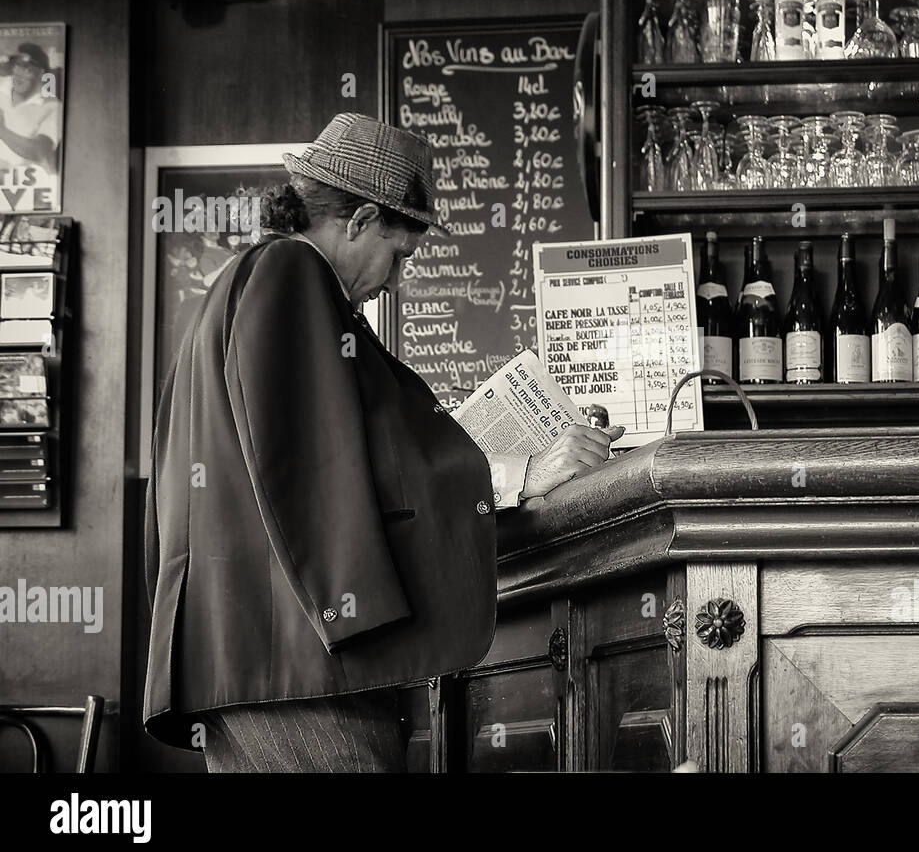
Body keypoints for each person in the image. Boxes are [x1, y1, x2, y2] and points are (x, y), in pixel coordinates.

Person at [143, 113, 621, 772]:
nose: (397, 281)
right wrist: (521, 471)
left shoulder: (231, 288)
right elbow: (315, 466)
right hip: (299, 672)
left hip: (259, 663)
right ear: (362, 218)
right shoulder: (290, 271)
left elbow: (316, 448)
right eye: (400, 255)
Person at [0, 43, 61, 177]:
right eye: (17, 66)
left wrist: (2, 130)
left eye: (28, 69)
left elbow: (40, 151)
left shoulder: (52, 107)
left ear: (40, 73)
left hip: (23, 183)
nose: (19, 74)